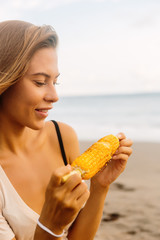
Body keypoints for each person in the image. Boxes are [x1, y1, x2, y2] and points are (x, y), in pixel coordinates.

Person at [0, 20, 133, 240]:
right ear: (5, 81)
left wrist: (100, 187)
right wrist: (50, 226)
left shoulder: (62, 137)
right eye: (40, 82)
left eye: (55, 82)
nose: (54, 96)